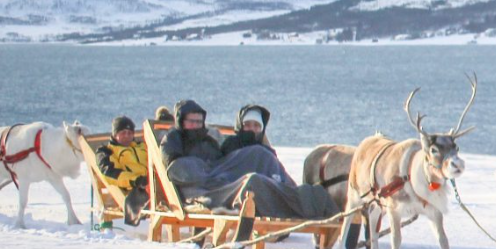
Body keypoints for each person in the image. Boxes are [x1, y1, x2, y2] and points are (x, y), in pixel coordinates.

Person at [160, 100, 331, 219]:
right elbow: (176, 168)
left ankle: (308, 197)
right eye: (192, 121)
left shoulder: (208, 141)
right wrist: (203, 170)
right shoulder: (173, 139)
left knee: (259, 154)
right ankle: (301, 202)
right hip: (201, 189)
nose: (196, 125)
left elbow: (223, 163)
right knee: (254, 180)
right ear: (181, 121)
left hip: (220, 179)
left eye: (199, 121)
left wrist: (221, 173)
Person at [95, 116, 149, 223]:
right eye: (123, 132)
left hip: (153, 185)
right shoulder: (107, 151)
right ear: (115, 134)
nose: (127, 136)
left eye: (130, 133)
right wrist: (135, 180)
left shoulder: (142, 146)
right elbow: (110, 174)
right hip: (133, 189)